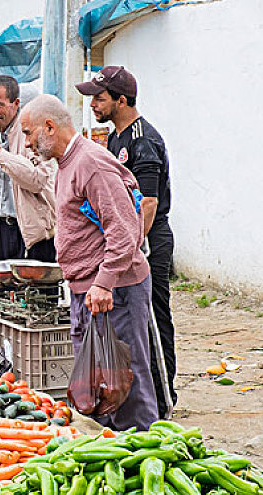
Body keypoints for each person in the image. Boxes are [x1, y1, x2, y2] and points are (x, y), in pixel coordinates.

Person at [20, 94, 158, 431]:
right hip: (91, 292)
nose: (26, 143)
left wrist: (103, 281)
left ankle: (143, 452)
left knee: (126, 378)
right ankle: (117, 450)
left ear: (49, 127)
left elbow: (126, 230)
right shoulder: (68, 164)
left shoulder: (91, 163)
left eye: (28, 133)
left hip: (115, 292)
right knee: (101, 382)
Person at [76, 66, 176, 419]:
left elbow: (147, 202)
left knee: (152, 321)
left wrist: (131, 250)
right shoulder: (115, 138)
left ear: (122, 100)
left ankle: (164, 401)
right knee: (137, 329)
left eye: (99, 98)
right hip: (131, 241)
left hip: (149, 239)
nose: (92, 105)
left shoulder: (141, 140)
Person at [0, 76, 57, 278]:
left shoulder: (33, 132)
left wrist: (0, 153)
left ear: (15, 104)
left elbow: (38, 180)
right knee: (0, 301)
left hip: (32, 233)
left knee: (35, 302)